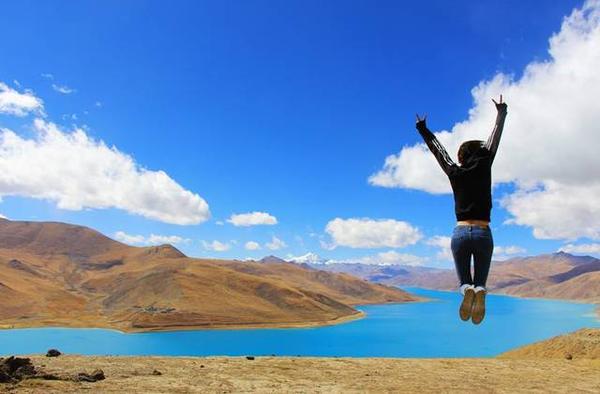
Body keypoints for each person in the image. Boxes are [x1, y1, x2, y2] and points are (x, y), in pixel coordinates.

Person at [415, 95, 507, 324]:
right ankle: (480, 291)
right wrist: (501, 113)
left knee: (464, 281)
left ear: (461, 158)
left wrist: (423, 129)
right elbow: (494, 139)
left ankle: (467, 289)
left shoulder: (454, 172)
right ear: (480, 154)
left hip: (460, 233)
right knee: (481, 282)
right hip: (483, 232)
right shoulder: (485, 164)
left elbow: (439, 152)